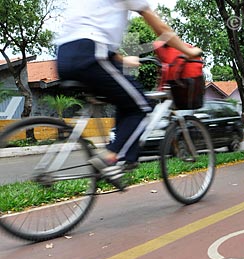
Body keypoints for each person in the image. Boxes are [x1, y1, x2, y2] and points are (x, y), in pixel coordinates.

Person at [55, 0, 202, 188]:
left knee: (125, 98)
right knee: (141, 106)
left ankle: (125, 157)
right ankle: (111, 158)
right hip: (91, 53)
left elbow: (96, 33)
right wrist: (188, 51)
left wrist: (123, 60)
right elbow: (161, 28)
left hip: (65, 56)